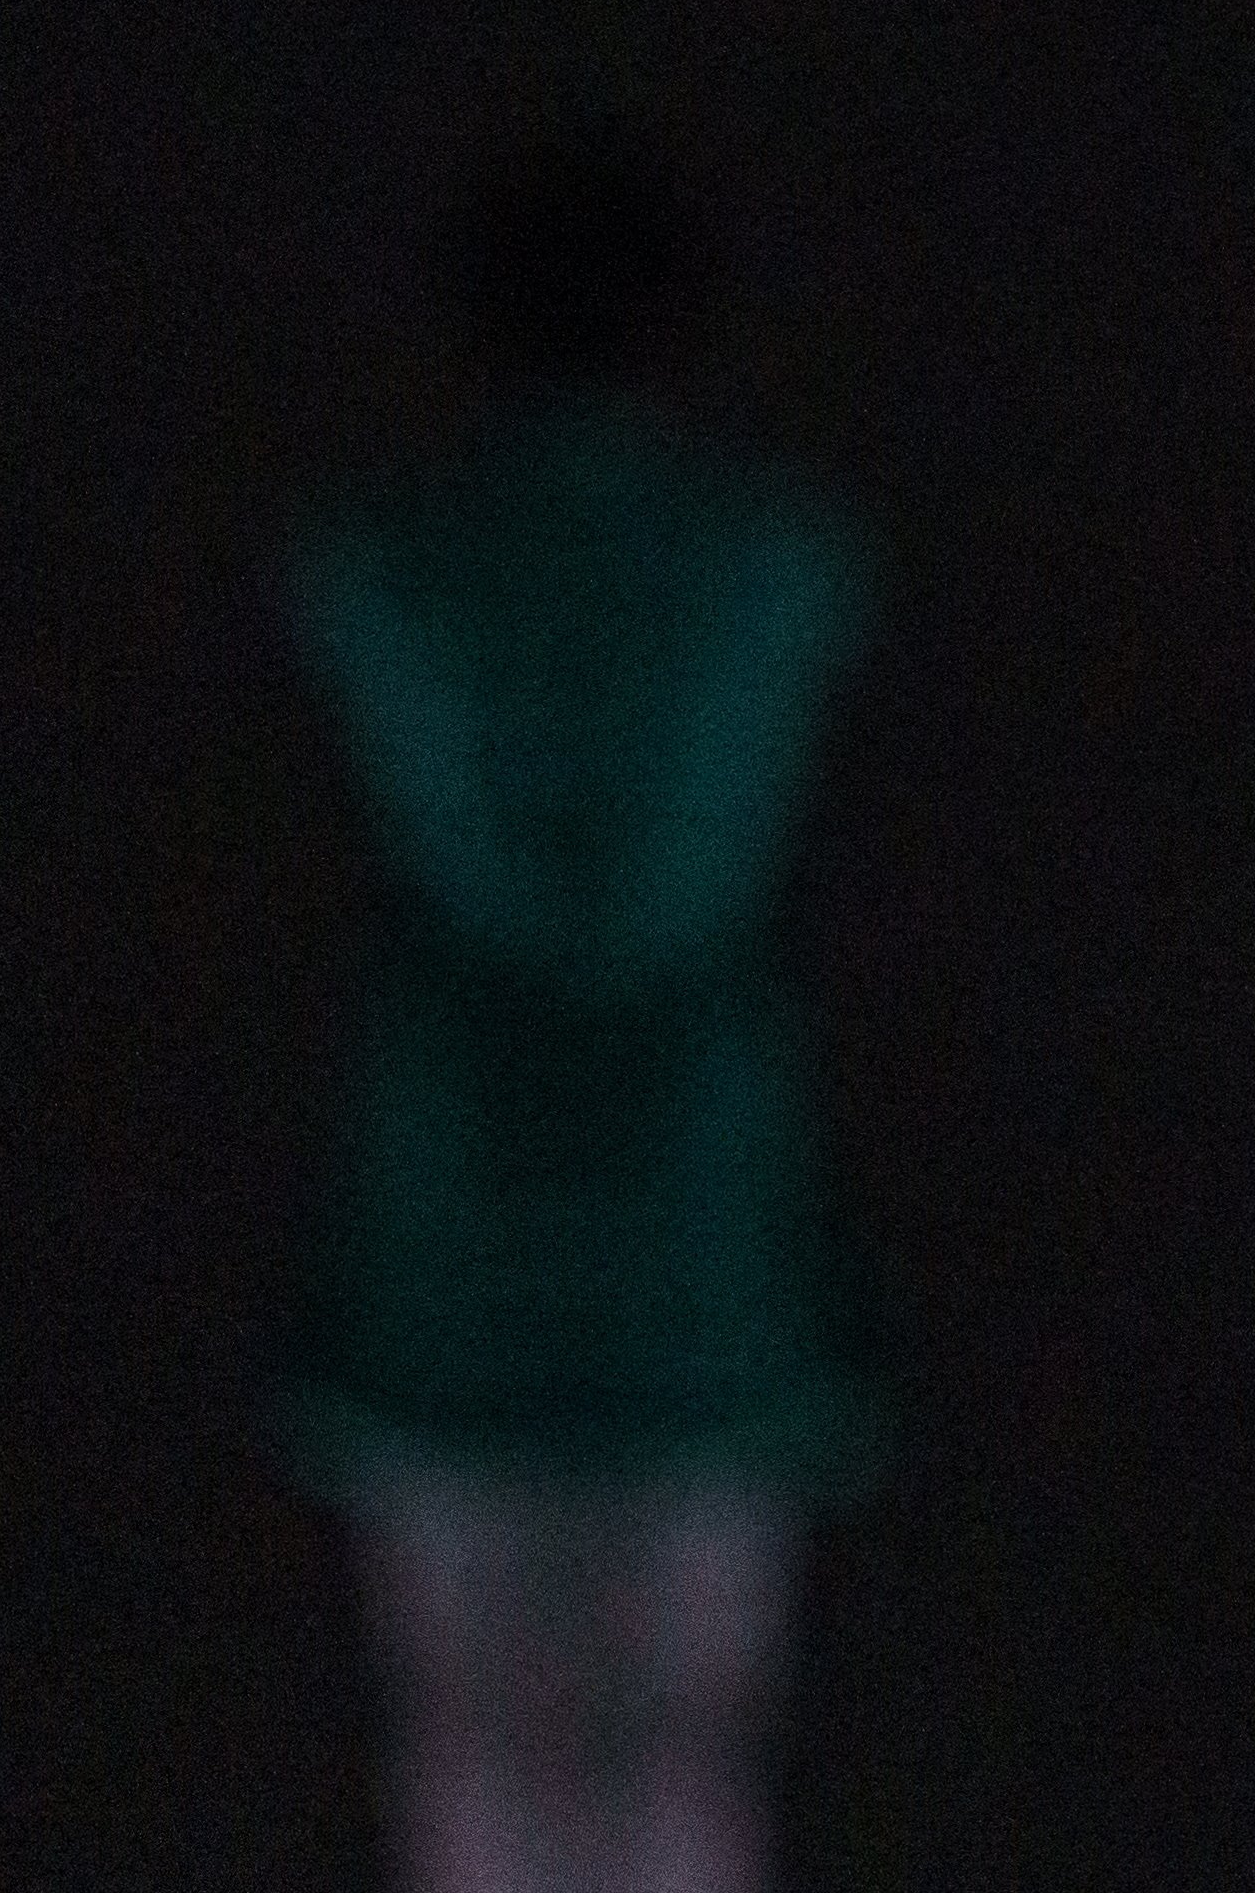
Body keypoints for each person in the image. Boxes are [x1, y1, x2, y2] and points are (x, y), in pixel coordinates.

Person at [284, 134, 880, 1893]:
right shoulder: (775, 567)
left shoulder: (386, 566)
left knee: (480, 1731)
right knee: (675, 1737)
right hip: (699, 1218)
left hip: (459, 1212)